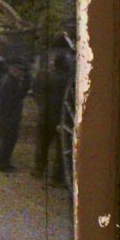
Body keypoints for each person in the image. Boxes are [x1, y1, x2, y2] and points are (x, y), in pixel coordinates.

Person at [34, 32, 75, 186]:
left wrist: (41, 105)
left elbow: (36, 90)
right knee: (60, 146)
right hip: (59, 116)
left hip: (44, 113)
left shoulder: (44, 75)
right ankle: (56, 177)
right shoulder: (66, 80)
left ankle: (38, 169)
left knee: (42, 143)